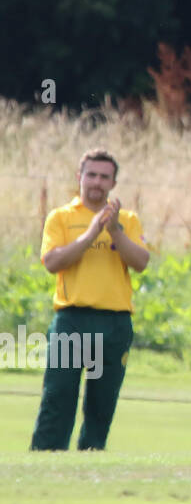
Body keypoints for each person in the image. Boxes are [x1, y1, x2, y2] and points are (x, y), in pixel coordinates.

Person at [31, 149, 149, 450]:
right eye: (91, 175)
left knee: (102, 401)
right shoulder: (61, 217)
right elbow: (53, 262)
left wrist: (115, 232)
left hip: (114, 322)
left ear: (113, 183)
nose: (96, 182)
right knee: (58, 395)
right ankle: (46, 458)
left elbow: (140, 262)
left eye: (104, 177)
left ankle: (91, 461)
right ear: (79, 177)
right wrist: (92, 232)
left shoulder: (128, 220)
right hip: (73, 319)